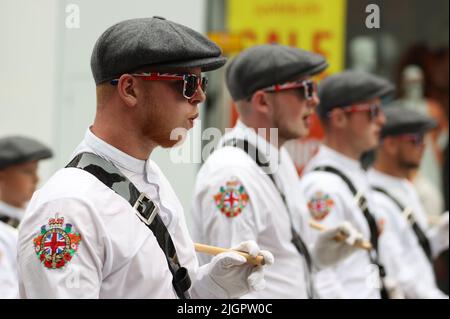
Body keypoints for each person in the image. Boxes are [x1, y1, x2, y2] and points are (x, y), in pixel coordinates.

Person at [17, 16, 273, 299]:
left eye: (202, 82)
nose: (200, 96)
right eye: (187, 83)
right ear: (129, 89)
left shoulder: (151, 177)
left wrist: (214, 287)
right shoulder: (69, 206)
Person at [191, 44, 364, 299]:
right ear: (263, 101)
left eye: (313, 89)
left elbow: (278, 265)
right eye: (304, 90)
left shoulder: (276, 156)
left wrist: (314, 257)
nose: (314, 100)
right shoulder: (232, 175)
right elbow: (235, 292)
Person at [299, 70, 397, 299]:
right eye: (372, 111)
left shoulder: (353, 173)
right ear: (340, 118)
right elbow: (322, 276)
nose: (382, 120)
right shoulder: (322, 186)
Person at [368, 107, 448, 298]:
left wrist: (442, 234)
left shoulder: (405, 186)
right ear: (390, 144)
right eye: (416, 140)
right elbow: (398, 272)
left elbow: (415, 249)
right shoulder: (374, 197)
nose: (423, 147)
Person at [0, 136, 52, 298]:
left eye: (36, 171)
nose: (37, 179)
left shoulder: (34, 217)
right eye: (27, 172)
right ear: (2, 177)